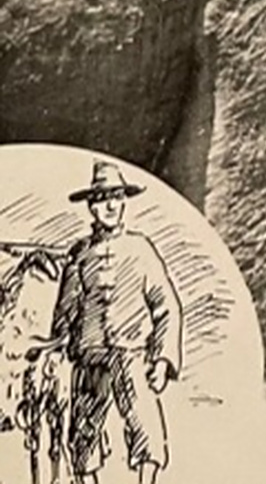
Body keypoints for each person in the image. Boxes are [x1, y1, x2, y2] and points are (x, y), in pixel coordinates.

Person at [45, 162, 182, 484]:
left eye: (117, 197)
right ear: (91, 207)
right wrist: (55, 351)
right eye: (103, 199)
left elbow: (166, 306)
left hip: (130, 353)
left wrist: (162, 361)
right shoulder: (80, 254)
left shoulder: (141, 249)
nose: (110, 205)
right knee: (82, 437)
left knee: (145, 427)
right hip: (89, 355)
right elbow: (65, 310)